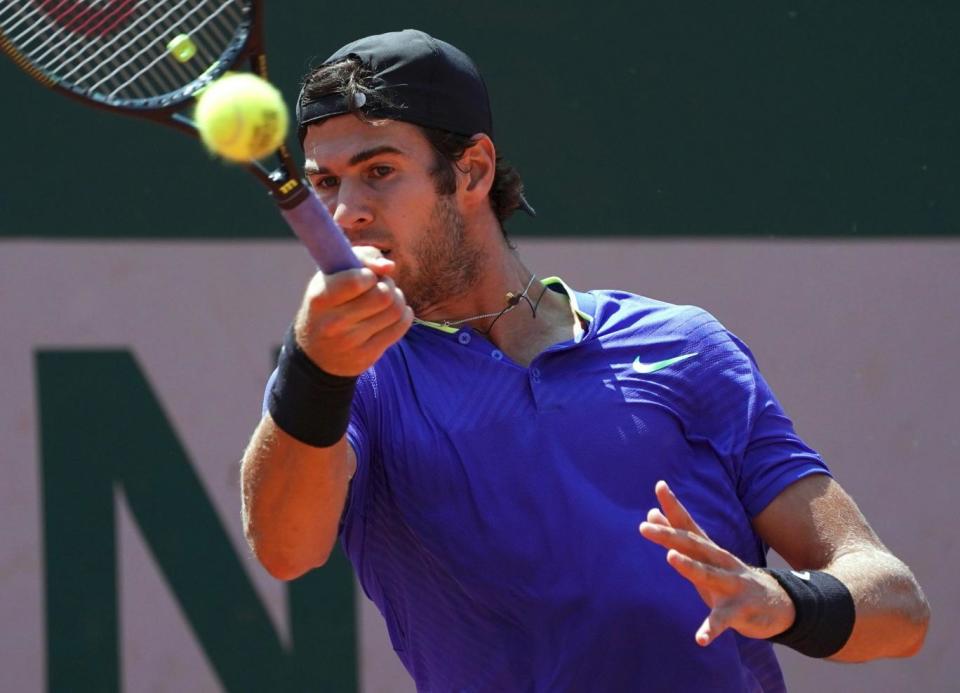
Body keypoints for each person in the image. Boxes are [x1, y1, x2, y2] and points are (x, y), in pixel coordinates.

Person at [240, 29, 929, 692]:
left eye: (379, 171)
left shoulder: (685, 348)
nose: (347, 211)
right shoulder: (350, 381)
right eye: (325, 182)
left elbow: (896, 607)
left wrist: (783, 599)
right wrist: (316, 366)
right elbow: (284, 548)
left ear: (472, 171)